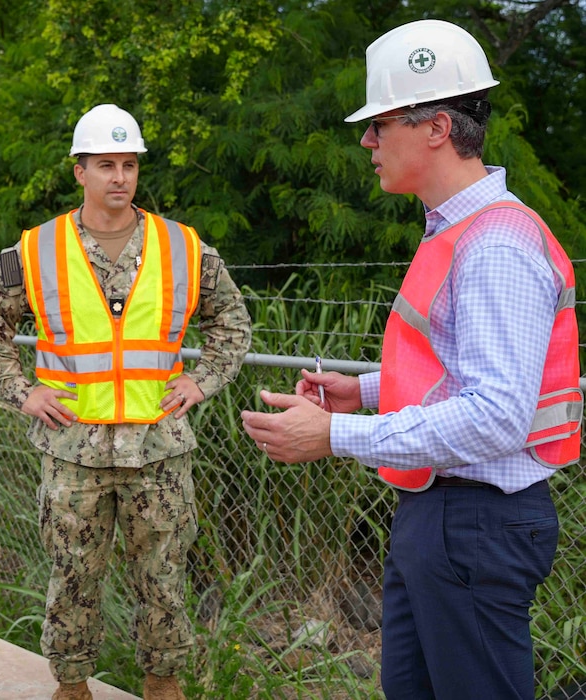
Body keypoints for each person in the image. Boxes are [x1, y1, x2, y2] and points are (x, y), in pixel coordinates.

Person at [241, 19, 581, 700]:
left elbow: (495, 417)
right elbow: (453, 372)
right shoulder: (457, 230)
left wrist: (336, 435)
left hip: (477, 518)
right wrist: (360, 392)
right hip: (445, 512)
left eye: (381, 122)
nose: (367, 140)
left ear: (437, 128)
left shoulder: (495, 247)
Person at [0, 104, 251, 700]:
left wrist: (203, 380)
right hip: (73, 449)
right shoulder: (37, 250)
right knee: (72, 578)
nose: (119, 177)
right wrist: (24, 392)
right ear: (80, 172)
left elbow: (232, 322)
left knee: (164, 576)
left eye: (129, 164)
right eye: (105, 165)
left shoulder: (184, 247)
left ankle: (162, 682)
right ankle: (71, 685)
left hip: (159, 447)